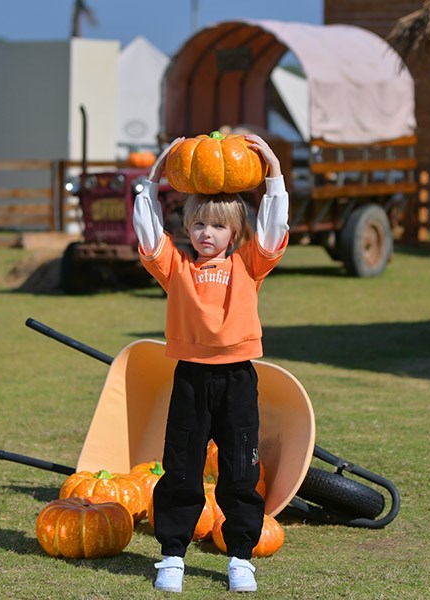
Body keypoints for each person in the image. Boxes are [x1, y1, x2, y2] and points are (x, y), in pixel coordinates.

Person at [133, 134, 289, 593]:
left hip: (238, 378)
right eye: (198, 224)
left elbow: (275, 227)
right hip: (191, 378)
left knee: (241, 469)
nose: (206, 234)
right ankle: (172, 557)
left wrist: (274, 172)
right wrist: (152, 179)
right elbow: (147, 233)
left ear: (234, 233)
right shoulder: (175, 269)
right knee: (181, 464)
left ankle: (240, 557)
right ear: (188, 228)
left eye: (217, 227)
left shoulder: (250, 264)